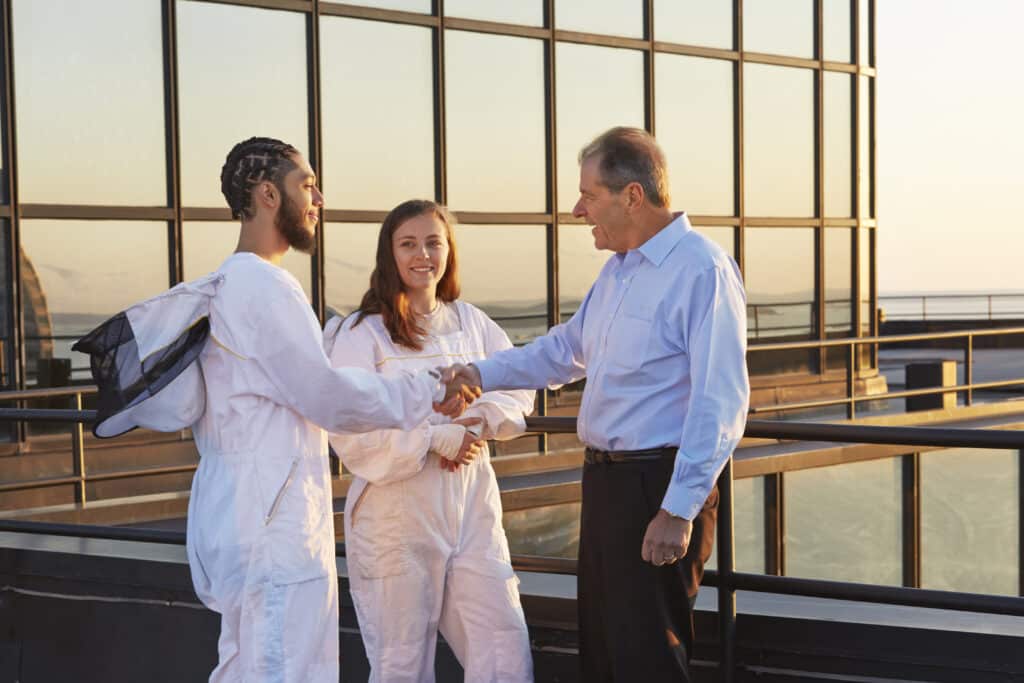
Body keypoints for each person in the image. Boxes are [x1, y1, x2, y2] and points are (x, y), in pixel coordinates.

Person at [444, 127, 749, 681]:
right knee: (606, 654)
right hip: (607, 486)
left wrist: (677, 510)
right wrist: (480, 372)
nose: (578, 208)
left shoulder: (703, 270)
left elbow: (721, 401)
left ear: (632, 196)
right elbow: (565, 351)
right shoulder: (619, 272)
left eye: (588, 194)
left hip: (657, 487)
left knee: (648, 659)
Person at [184, 138, 475, 682]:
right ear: (269, 195)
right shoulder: (264, 287)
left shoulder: (228, 284)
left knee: (246, 666)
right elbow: (328, 398)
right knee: (283, 668)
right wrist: (427, 394)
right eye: (307, 185)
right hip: (276, 526)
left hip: (245, 515)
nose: (318, 198)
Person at [324, 199, 535, 683]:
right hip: (395, 517)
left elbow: (519, 382)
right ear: (389, 255)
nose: (423, 255)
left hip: (472, 510)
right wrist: (436, 437)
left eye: (433, 242)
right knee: (402, 664)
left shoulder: (472, 322)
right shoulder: (363, 334)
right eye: (408, 244)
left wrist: (479, 423)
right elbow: (348, 422)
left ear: (449, 251)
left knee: (503, 647)